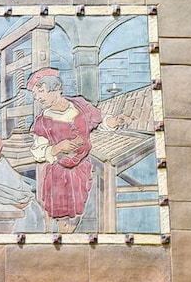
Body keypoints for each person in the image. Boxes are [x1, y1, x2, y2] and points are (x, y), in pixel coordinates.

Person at [27, 67, 128, 233]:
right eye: (35, 95)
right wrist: (57, 148)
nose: (37, 97)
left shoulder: (80, 105)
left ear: (56, 89)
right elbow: (38, 152)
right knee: (63, 217)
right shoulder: (42, 121)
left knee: (85, 211)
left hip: (83, 168)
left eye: (41, 91)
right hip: (59, 174)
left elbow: (98, 123)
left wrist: (113, 122)